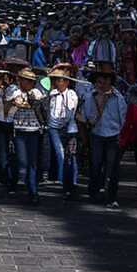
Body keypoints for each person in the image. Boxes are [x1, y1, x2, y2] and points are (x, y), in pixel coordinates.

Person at [80, 68, 128, 208]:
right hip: (96, 135)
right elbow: (86, 117)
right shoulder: (89, 97)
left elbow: (123, 118)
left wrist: (122, 137)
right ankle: (94, 193)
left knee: (112, 168)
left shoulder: (118, 98)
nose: (102, 85)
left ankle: (111, 197)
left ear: (111, 83)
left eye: (106, 81)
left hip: (113, 135)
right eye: (99, 82)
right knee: (95, 166)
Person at [6, 68, 45, 204]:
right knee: (23, 161)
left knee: (32, 162)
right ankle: (21, 181)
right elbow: (9, 110)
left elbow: (38, 106)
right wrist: (15, 104)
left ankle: (33, 190)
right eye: (25, 80)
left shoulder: (36, 92)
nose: (28, 83)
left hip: (34, 130)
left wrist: (31, 101)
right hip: (19, 129)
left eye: (30, 81)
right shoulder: (14, 92)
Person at [45, 68, 80, 200]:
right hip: (54, 127)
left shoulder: (72, 94)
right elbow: (50, 110)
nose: (60, 83)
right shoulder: (52, 94)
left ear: (67, 82)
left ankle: (73, 180)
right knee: (60, 153)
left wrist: (64, 123)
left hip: (69, 127)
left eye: (62, 81)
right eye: (58, 80)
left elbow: (71, 111)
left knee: (71, 155)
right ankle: (61, 179)